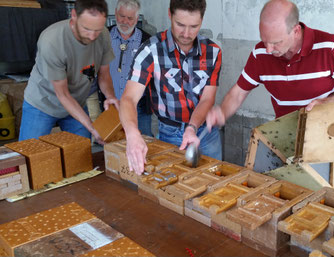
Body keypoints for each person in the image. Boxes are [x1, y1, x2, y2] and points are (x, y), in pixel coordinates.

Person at [206, 0, 334, 130]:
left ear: (296, 30)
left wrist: (328, 102)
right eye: (265, 41)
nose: (269, 49)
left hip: (323, 134)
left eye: (276, 42)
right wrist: (222, 112)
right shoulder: (260, 54)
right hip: (283, 133)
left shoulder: (330, 46)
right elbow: (238, 93)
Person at [120, 0, 222, 174]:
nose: (186, 33)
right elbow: (129, 98)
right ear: (170, 14)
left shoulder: (213, 52)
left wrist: (192, 127)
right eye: (180, 24)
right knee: (173, 190)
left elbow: (207, 99)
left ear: (202, 20)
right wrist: (132, 134)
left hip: (206, 133)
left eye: (193, 26)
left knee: (216, 182)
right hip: (169, 133)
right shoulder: (150, 50)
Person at [19, 0, 119, 144]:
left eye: (97, 30)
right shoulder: (52, 41)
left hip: (76, 102)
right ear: (74, 15)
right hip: (43, 103)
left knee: (81, 154)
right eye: (87, 29)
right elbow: (63, 94)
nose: (92, 36)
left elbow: (104, 75)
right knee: (28, 154)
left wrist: (110, 96)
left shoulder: (103, 35)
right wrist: (92, 127)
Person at [93, 0, 153, 136]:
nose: (125, 21)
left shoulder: (147, 41)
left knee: (144, 142)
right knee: (112, 145)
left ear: (137, 19)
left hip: (139, 107)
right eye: (122, 16)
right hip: (110, 104)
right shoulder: (102, 36)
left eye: (130, 18)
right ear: (115, 13)